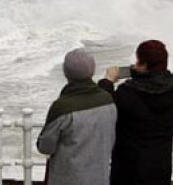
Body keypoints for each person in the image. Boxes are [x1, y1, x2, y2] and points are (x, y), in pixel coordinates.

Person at [98, 40, 173, 185]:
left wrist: (107, 81)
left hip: (128, 169)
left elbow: (102, 106)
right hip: (160, 167)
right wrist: (139, 72)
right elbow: (154, 84)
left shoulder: (128, 93)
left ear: (144, 63)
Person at [37, 49, 116, 185]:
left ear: (66, 72)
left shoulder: (62, 107)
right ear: (93, 70)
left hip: (68, 179)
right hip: (99, 177)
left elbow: (45, 147)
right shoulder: (108, 101)